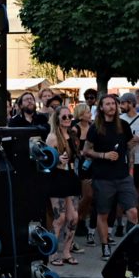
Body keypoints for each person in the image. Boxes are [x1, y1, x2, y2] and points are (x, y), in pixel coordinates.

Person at [83, 94, 139, 260]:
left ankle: (130, 247)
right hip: (103, 177)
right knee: (103, 214)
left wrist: (130, 170)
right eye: (107, 104)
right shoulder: (95, 127)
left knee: (133, 212)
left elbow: (130, 147)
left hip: (123, 176)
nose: (111, 106)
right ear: (101, 108)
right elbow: (86, 151)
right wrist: (104, 155)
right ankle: (105, 245)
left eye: (113, 104)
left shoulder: (123, 125)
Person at [46, 106, 82, 266]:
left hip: (71, 177)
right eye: (64, 117)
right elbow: (45, 161)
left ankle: (67, 251)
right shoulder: (53, 137)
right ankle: (52, 253)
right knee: (59, 218)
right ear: (57, 118)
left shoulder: (73, 135)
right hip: (57, 178)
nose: (67, 119)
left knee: (73, 217)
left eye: (69, 116)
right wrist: (57, 158)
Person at [119, 93, 139, 222]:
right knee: (121, 194)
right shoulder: (119, 119)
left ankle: (137, 223)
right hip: (123, 162)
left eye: (123, 103)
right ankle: (119, 224)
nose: (121, 106)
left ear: (130, 103)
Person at [72, 102, 96, 247]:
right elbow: (74, 149)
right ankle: (78, 219)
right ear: (81, 115)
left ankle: (81, 219)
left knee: (91, 196)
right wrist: (82, 153)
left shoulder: (93, 127)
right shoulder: (76, 128)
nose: (90, 114)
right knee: (87, 195)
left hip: (93, 162)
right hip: (81, 164)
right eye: (87, 112)